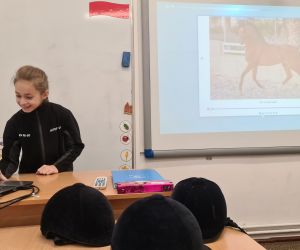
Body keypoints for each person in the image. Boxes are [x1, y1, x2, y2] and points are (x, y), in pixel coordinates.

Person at [0, 65, 84, 180]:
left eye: (28, 97)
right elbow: (9, 160)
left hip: (61, 176)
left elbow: (76, 146)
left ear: (44, 94)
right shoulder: (14, 123)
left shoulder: (62, 114)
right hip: (30, 181)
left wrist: (56, 167)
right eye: (18, 95)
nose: (22, 101)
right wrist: (3, 173)